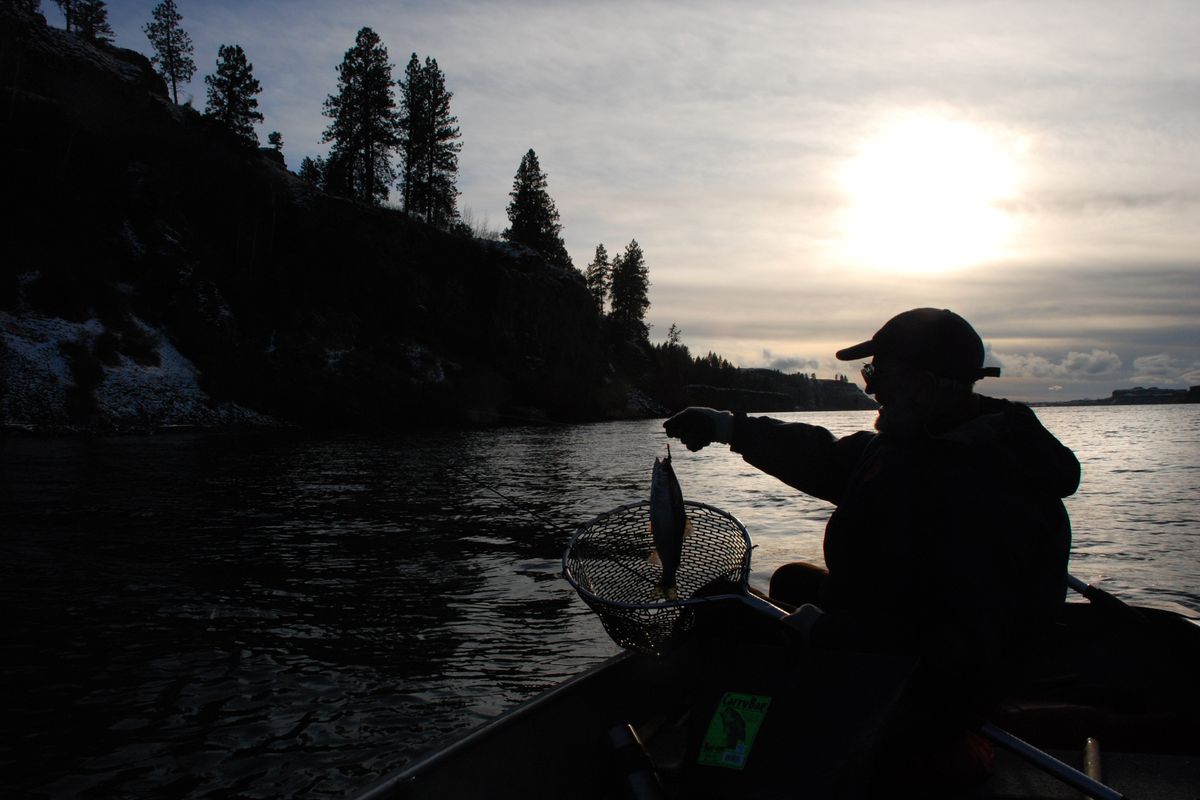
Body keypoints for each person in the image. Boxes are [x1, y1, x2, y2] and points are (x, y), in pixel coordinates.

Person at [663, 308, 1080, 792]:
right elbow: (828, 457)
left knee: (724, 610)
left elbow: (958, 631)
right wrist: (729, 428)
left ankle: (728, 772)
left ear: (923, 386)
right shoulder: (918, 444)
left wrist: (832, 631)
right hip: (890, 641)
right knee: (792, 583)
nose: (869, 388)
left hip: (933, 681)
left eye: (877, 374)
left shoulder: (985, 484)